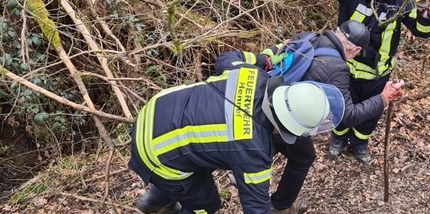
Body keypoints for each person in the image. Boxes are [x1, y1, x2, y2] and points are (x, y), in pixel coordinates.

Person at [220, 19, 404, 213]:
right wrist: (383, 98)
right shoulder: (338, 69)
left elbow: (274, 54)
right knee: (303, 156)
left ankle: (246, 173)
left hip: (259, 101)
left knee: (268, 145)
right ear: (355, 50)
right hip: (282, 117)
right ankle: (281, 206)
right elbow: (348, 115)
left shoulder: (307, 37)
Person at [128, 52, 345, 214]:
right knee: (205, 205)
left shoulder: (254, 75)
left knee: (197, 158)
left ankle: (155, 200)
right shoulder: (252, 151)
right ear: (286, 129)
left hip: (157, 109)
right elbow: (256, 207)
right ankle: (167, 202)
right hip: (155, 151)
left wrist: (261, 58)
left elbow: (227, 58)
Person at [288, 0, 430, 165]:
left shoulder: (403, 2)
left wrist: (423, 8)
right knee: (340, 108)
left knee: (370, 113)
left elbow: (423, 31)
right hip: (346, 69)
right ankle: (338, 138)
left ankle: (360, 144)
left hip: (378, 73)